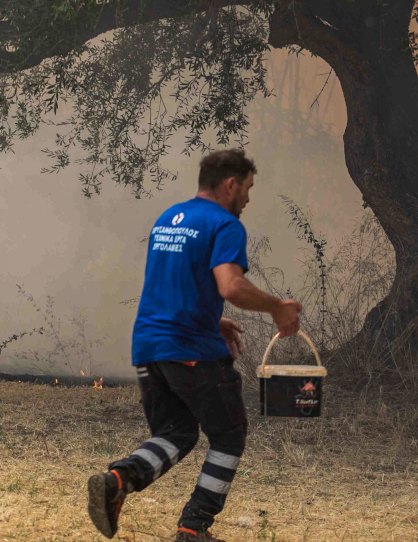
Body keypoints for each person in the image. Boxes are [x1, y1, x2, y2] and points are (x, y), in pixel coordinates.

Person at [86, 149, 302, 542]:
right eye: (248, 189)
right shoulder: (225, 225)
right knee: (229, 435)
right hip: (191, 350)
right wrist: (277, 308)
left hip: (150, 346)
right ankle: (193, 527)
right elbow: (231, 286)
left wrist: (211, 317)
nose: (249, 200)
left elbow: (173, 282)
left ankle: (117, 479)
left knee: (176, 432)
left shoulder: (169, 218)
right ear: (230, 184)